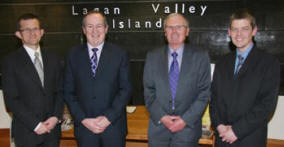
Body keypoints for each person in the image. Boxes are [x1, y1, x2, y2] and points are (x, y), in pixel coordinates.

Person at [209, 9, 280, 147]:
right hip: (222, 138)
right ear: (229, 32)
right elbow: (214, 99)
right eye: (234, 29)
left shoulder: (269, 63)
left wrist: (236, 131)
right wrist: (219, 126)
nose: (239, 34)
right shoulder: (222, 63)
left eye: (244, 29)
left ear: (254, 31)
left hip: (250, 139)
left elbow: (266, 105)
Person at [64, 11, 132, 147]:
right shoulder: (72, 55)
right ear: (84, 30)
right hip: (85, 130)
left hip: (113, 128)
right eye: (89, 26)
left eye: (99, 26)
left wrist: (108, 118)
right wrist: (83, 119)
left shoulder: (120, 54)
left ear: (106, 29)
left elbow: (126, 90)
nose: (94, 31)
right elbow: (68, 91)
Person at [143, 13, 211, 147]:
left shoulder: (200, 57)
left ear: (187, 31)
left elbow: (204, 94)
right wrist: (162, 117)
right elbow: (148, 92)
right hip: (158, 130)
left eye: (179, 27)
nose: (174, 31)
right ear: (165, 32)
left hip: (187, 130)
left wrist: (184, 120)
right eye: (170, 27)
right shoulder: (152, 57)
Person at [2, 13, 64, 147]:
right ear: (18, 34)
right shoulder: (10, 62)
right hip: (27, 133)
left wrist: (55, 117)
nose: (32, 33)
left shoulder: (54, 58)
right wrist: (35, 125)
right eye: (27, 30)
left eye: (35, 29)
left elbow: (60, 91)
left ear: (42, 32)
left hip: (52, 131)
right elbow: (11, 99)